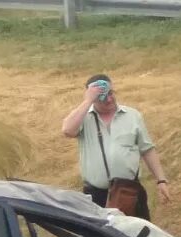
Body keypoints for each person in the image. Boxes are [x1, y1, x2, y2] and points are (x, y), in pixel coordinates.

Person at [61, 74, 170, 220]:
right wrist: (88, 100)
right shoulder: (83, 118)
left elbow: (147, 149)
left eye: (111, 93)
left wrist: (161, 180)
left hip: (129, 191)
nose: (109, 99)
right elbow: (68, 130)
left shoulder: (132, 116)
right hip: (96, 195)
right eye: (102, 97)